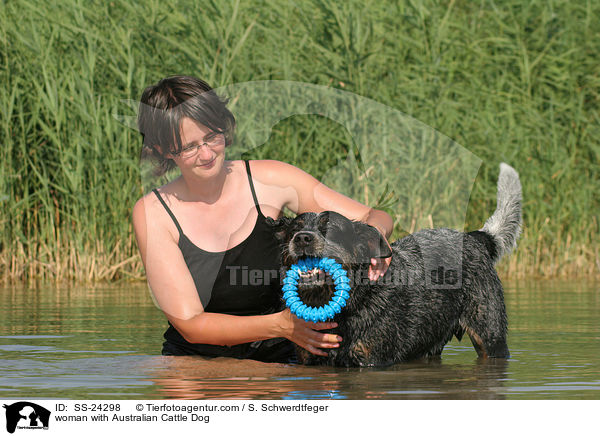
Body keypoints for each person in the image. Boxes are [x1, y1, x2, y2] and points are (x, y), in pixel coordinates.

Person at [132, 75, 393, 363]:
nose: (207, 154)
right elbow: (191, 324)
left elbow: (371, 215)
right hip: (194, 361)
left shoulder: (271, 179)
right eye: (190, 146)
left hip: (281, 352)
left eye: (212, 137)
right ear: (163, 149)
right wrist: (282, 326)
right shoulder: (153, 212)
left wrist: (377, 238)